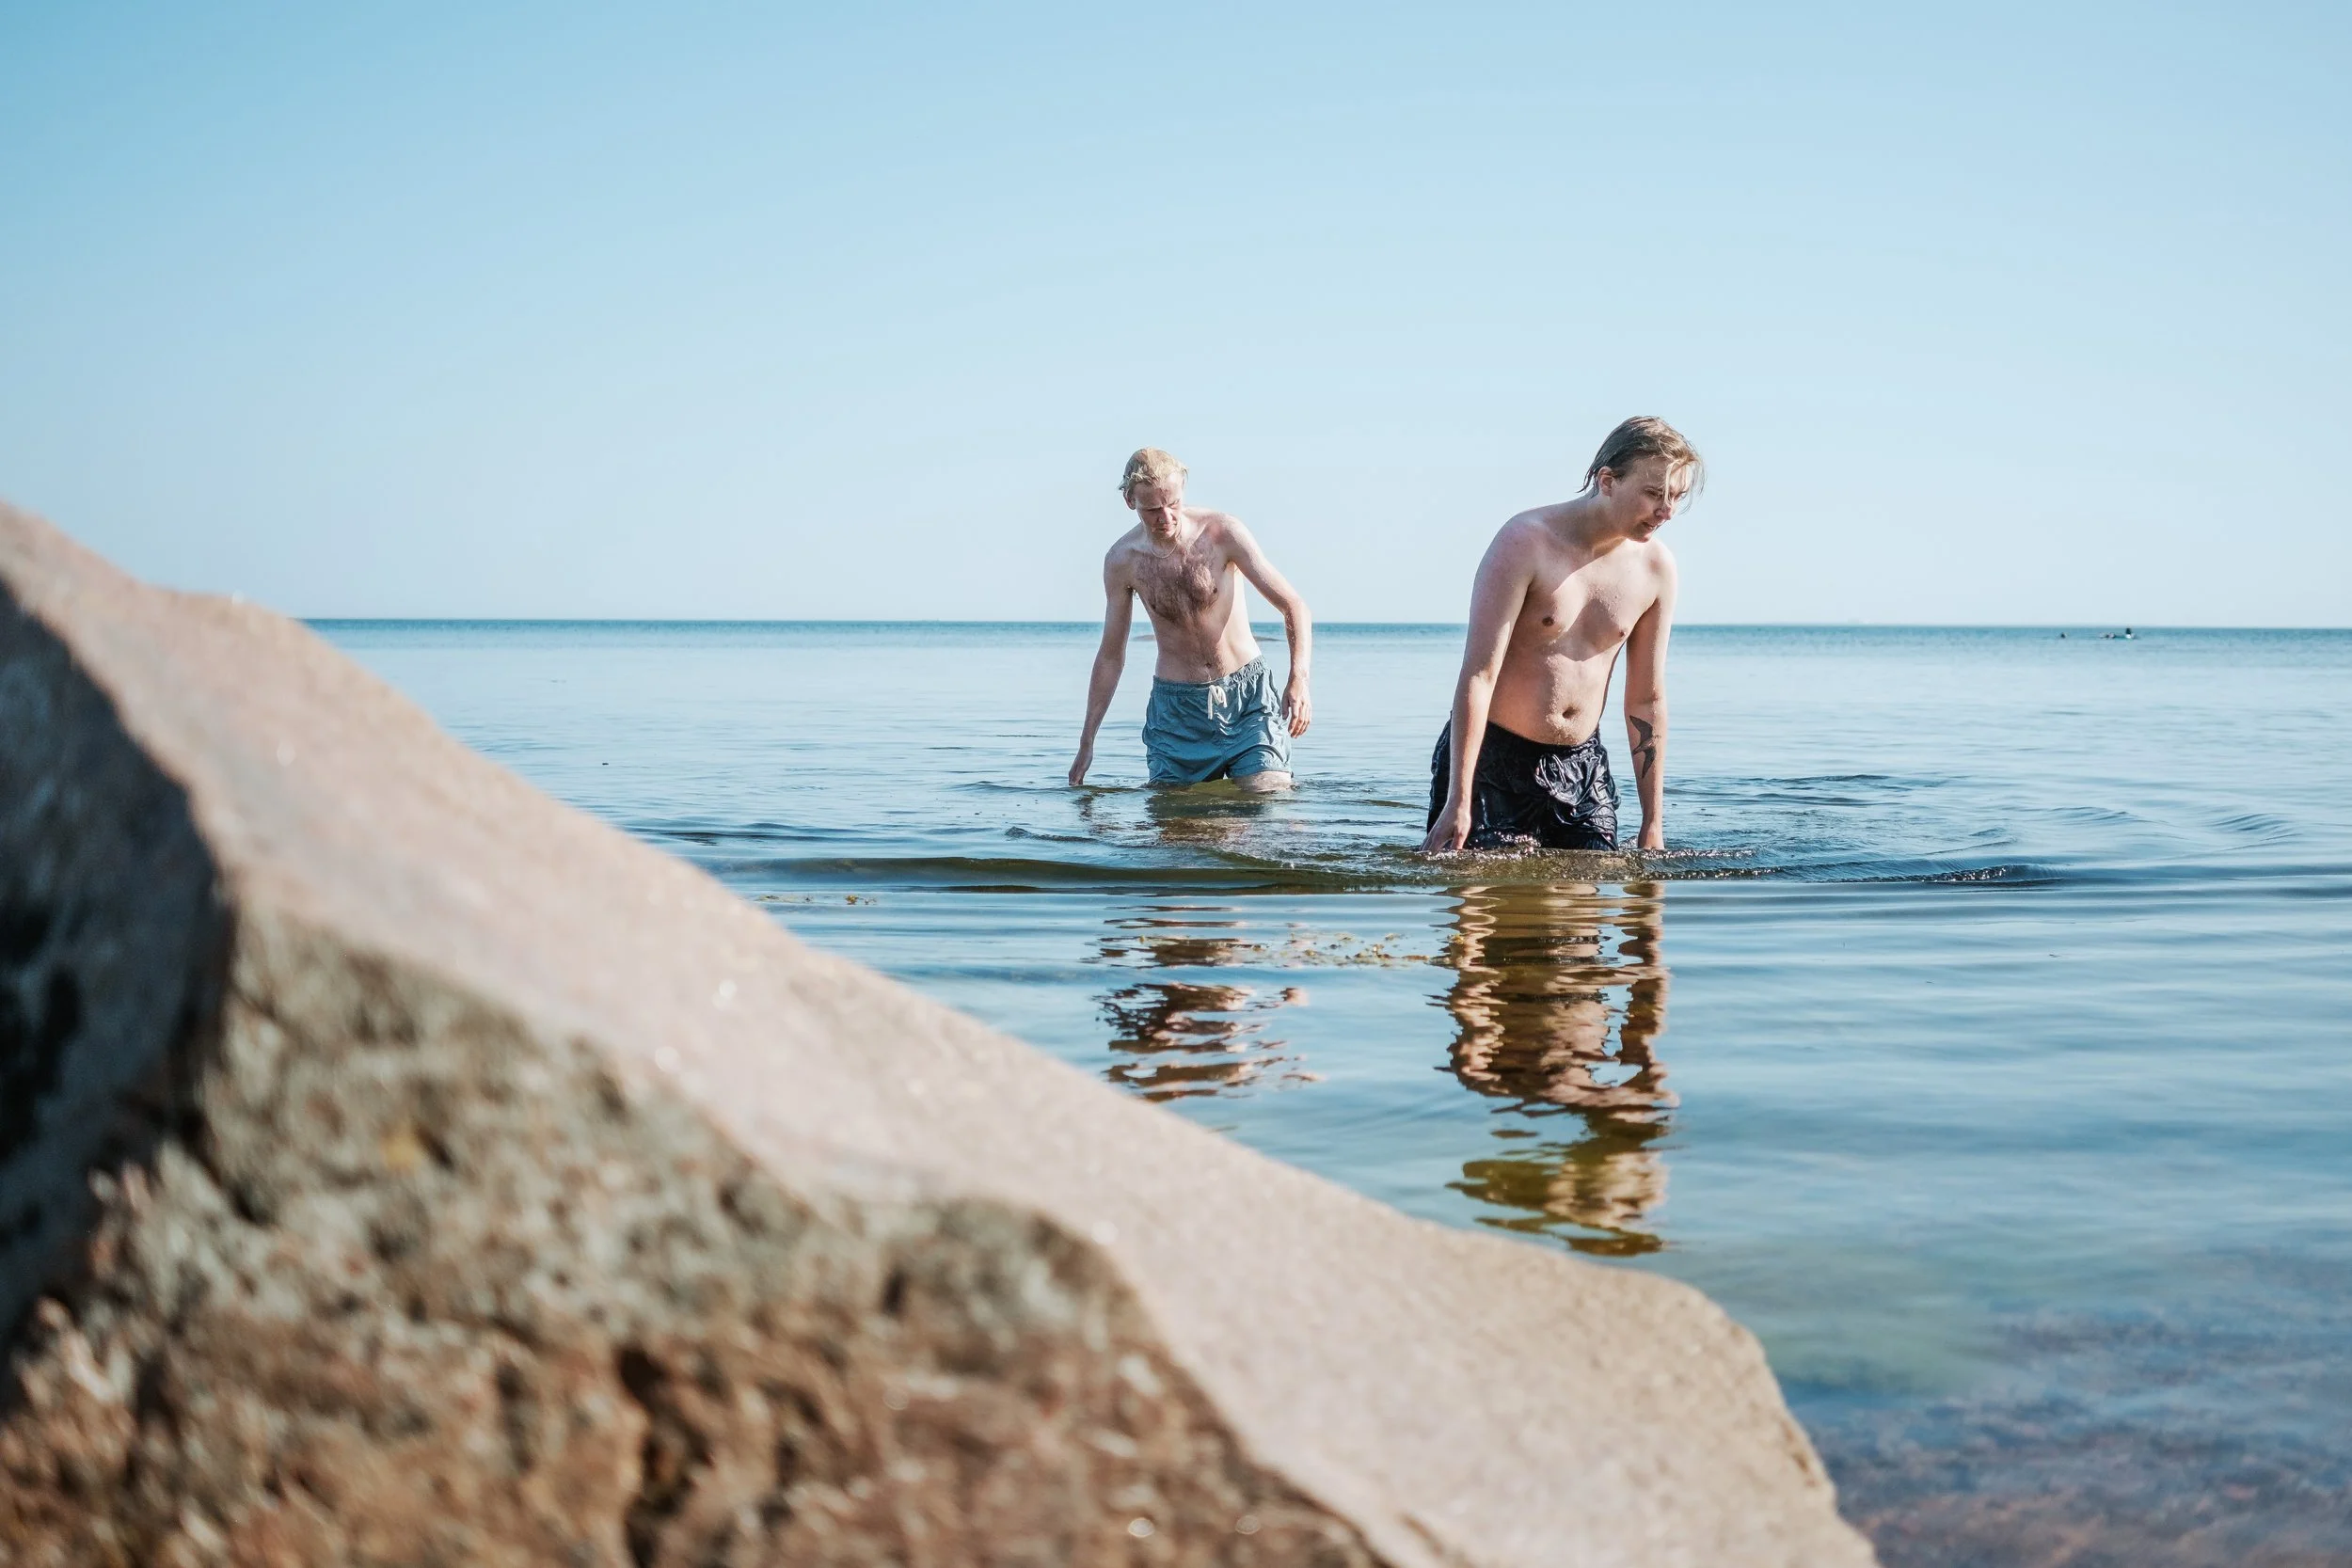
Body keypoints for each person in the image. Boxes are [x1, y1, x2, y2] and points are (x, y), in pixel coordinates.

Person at [1422, 417, 1699, 853]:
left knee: (1584, 916)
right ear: (1607, 481)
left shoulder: (1656, 569)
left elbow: (1646, 699)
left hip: (1582, 768)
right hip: (1494, 763)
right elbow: (1479, 674)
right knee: (1485, 912)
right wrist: (1458, 799)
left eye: (1676, 498)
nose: (1665, 512)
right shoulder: (1525, 542)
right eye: (1653, 494)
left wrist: (1652, 822)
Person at [1070, 448, 1311, 790]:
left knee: (1268, 800)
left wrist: (1298, 680)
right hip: (1177, 712)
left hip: (1247, 700)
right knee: (1177, 830)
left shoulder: (1221, 533)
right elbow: (1111, 656)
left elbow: (1293, 605)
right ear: (1129, 500)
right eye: (1152, 509)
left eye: (1173, 504)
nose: (1165, 518)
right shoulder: (1122, 561)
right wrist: (1086, 743)